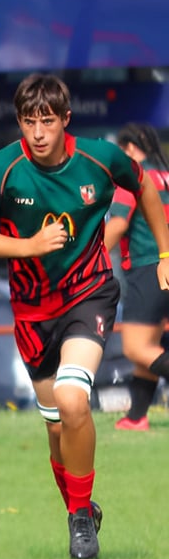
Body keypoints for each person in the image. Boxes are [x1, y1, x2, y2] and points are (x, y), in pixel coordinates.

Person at [0, 74, 169, 559]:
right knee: (56, 428)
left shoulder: (99, 158)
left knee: (75, 402)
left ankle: (78, 522)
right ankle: (82, 508)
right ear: (19, 122)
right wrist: (27, 247)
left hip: (89, 295)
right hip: (32, 313)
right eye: (29, 121)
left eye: (47, 121)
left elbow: (144, 188)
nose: (37, 132)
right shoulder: (0, 171)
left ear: (65, 120)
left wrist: (164, 252)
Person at [102, 123, 169, 431]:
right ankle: (137, 416)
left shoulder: (134, 179)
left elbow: (116, 225)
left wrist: (86, 260)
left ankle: (137, 416)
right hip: (163, 266)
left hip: (147, 267)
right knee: (151, 344)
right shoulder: (165, 175)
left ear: (129, 149)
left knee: (135, 347)